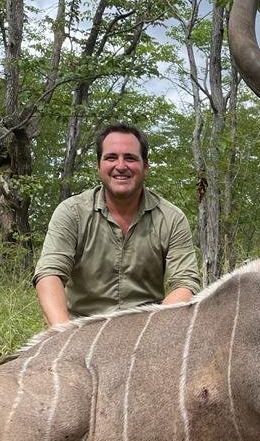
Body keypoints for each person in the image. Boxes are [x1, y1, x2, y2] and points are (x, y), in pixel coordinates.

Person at [33, 123, 200, 325]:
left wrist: (152, 331)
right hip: (80, 329)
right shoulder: (71, 212)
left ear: (145, 167)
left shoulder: (172, 218)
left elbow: (185, 283)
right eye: (111, 157)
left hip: (145, 329)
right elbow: (50, 274)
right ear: (99, 166)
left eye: (130, 158)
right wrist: (64, 334)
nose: (121, 166)